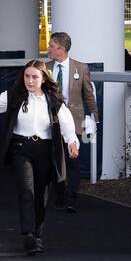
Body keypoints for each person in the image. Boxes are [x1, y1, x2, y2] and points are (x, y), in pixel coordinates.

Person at [0, 60, 78, 255]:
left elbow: (67, 123)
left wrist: (72, 142)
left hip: (45, 149)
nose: (30, 80)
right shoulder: (15, 95)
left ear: (43, 78)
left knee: (41, 194)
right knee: (26, 190)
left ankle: (38, 235)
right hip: (21, 148)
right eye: (27, 76)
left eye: (35, 77)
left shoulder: (53, 99)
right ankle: (28, 233)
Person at [47, 31, 98, 212]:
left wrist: (93, 117)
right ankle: (59, 196)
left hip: (75, 119)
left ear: (61, 49)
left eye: (52, 46)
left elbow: (88, 95)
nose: (49, 49)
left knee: (73, 159)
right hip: (51, 120)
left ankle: (71, 198)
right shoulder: (45, 68)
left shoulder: (80, 68)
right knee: (54, 158)